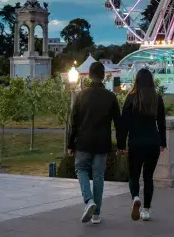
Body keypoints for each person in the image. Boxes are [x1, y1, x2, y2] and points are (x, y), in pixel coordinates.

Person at [67, 61, 120, 225]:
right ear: (104, 76)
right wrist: (121, 144)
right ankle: (96, 214)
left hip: (83, 141)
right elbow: (119, 122)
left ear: (89, 75)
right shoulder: (111, 97)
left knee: (81, 169)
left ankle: (88, 200)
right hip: (102, 142)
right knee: (98, 176)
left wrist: (70, 143)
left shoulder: (81, 95)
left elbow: (73, 122)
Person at [116, 68, 167, 222]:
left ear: (136, 81)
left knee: (134, 175)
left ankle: (135, 197)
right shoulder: (157, 99)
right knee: (148, 177)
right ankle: (146, 210)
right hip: (153, 142)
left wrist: (121, 145)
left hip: (136, 142)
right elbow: (161, 123)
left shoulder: (131, 99)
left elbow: (123, 124)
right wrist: (163, 141)